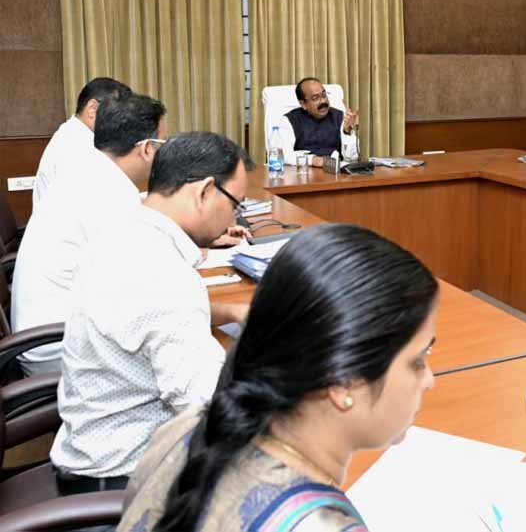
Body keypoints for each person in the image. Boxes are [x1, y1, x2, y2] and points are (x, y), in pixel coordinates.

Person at [118, 224, 439, 532]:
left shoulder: (186, 429)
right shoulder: (319, 524)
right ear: (344, 382)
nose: (429, 379)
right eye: (418, 360)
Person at [50, 132, 254, 495]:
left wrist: (230, 311)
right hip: (126, 482)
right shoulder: (162, 274)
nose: (234, 217)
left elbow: (146, 317)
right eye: (235, 204)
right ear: (205, 191)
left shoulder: (128, 231)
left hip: (93, 449)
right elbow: (210, 406)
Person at [11, 93, 165, 376]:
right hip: (59, 349)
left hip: (48, 333)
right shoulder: (108, 192)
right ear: (146, 148)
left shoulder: (90, 172)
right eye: (160, 145)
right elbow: (138, 287)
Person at [33, 77, 132, 207]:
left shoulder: (74, 135)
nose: (122, 124)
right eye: (118, 115)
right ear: (92, 109)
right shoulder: (75, 146)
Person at [272, 77, 360, 167]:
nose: (323, 101)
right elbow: (282, 154)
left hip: (334, 171)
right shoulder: (289, 120)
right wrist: (313, 160)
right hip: (303, 172)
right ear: (303, 104)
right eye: (315, 98)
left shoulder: (339, 116)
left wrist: (347, 131)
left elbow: (352, 158)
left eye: (324, 95)